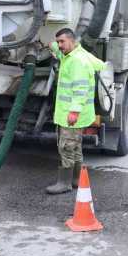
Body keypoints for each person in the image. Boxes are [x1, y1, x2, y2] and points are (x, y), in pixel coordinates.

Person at [46, 28, 105, 195]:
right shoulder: (71, 55)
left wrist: (74, 112)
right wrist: (52, 45)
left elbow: (80, 89)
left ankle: (64, 183)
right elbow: (58, 49)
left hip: (71, 115)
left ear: (72, 41)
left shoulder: (77, 61)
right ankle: (77, 179)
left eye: (62, 42)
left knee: (66, 146)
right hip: (73, 114)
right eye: (58, 42)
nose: (59, 45)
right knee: (75, 146)